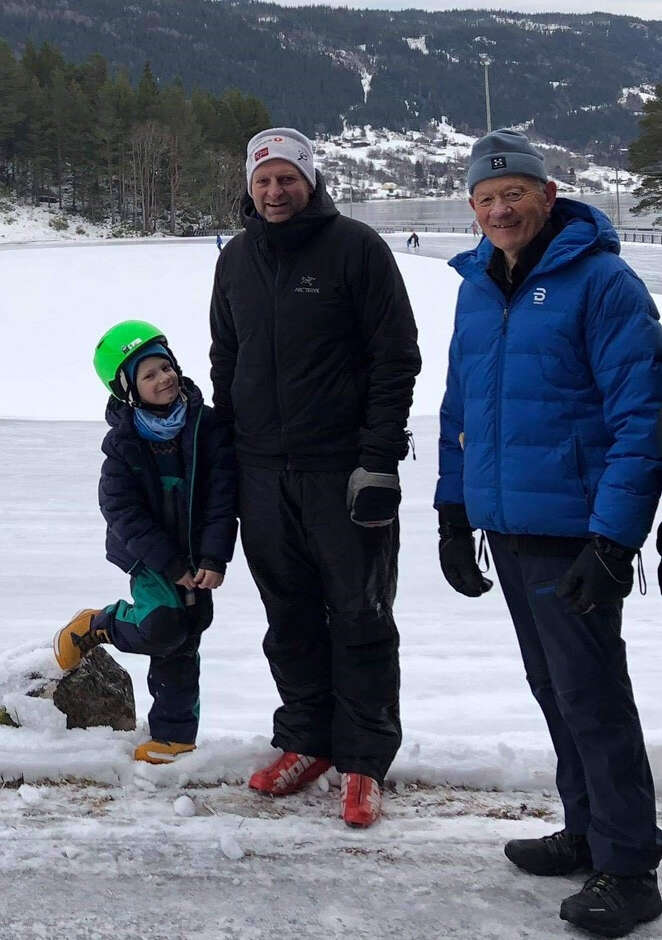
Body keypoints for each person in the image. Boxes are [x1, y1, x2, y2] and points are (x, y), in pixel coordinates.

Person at [437, 129, 662, 938]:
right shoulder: (476, 287)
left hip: (576, 532)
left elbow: (644, 419)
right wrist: (453, 512)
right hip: (507, 526)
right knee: (554, 689)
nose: (500, 210)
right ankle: (588, 830)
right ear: (472, 209)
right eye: (486, 199)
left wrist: (614, 541)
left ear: (548, 195)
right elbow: (460, 407)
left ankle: (630, 866)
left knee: (593, 699)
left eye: (514, 194)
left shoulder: (603, 283)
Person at [210, 126, 420, 829]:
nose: (275, 191)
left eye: (287, 179)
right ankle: (307, 741)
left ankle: (364, 761)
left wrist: (379, 459)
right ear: (250, 186)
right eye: (263, 180)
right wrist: (226, 453)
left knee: (361, 616)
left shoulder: (356, 249)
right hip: (262, 472)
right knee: (289, 617)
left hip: (342, 471)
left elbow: (395, 356)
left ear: (311, 181)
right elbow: (225, 358)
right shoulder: (235, 260)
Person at [54, 321, 238, 764]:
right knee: (161, 627)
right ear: (127, 389)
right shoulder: (123, 443)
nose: (164, 379)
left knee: (187, 634)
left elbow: (222, 496)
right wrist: (168, 562)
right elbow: (121, 511)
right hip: (150, 557)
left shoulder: (205, 425)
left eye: (166, 367)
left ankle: (174, 736)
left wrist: (214, 556)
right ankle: (99, 624)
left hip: (196, 556)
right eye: (149, 375)